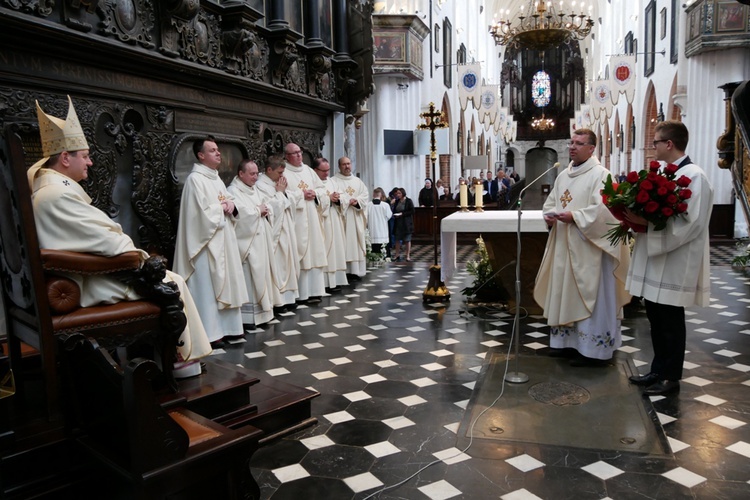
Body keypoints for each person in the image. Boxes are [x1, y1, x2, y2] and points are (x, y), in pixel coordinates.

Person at [30, 96, 211, 377]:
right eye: (85, 155)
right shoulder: (58, 194)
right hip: (86, 282)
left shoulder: (48, 189)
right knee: (170, 281)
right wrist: (136, 256)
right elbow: (109, 243)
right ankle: (178, 363)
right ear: (65, 158)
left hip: (76, 274)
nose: (90, 162)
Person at [624, 120, 714, 396]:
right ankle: (657, 369)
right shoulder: (668, 174)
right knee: (656, 317)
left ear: (669, 144)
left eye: (656, 143)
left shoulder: (695, 176)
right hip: (658, 259)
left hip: (676, 260)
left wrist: (646, 223)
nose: (654, 148)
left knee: (671, 321)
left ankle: (671, 377)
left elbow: (691, 223)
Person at [533, 128, 631, 366]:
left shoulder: (602, 175)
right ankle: (566, 344)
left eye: (578, 143)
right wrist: (549, 216)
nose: (572, 147)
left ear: (591, 148)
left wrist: (574, 217)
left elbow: (606, 211)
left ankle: (594, 352)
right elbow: (552, 203)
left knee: (592, 297)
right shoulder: (563, 175)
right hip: (564, 246)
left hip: (591, 250)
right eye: (571, 143)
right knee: (564, 293)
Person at [174, 136, 248, 349]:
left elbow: (228, 202)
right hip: (205, 244)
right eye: (213, 150)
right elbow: (197, 216)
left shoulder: (215, 178)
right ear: (201, 155)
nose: (218, 154)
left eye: (218, 150)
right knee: (207, 287)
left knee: (226, 283)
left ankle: (229, 329)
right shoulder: (195, 180)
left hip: (223, 239)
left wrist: (231, 206)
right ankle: (210, 331)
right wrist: (221, 209)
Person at [228, 159, 277, 328]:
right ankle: (248, 317)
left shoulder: (254, 189)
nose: (256, 177)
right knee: (249, 276)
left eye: (257, 173)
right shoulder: (232, 191)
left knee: (262, 275)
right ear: (241, 174)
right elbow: (238, 215)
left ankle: (264, 312)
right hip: (247, 243)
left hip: (260, 240)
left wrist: (266, 210)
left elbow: (267, 206)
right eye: (252, 174)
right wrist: (258, 211)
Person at [283, 143, 327, 304]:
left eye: (299, 152)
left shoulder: (308, 170)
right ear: (287, 156)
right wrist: (301, 194)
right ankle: (301, 293)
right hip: (298, 220)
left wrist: (315, 193)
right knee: (300, 253)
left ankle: (315, 291)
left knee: (315, 252)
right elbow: (282, 194)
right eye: (294, 153)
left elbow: (322, 189)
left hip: (313, 219)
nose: (299, 155)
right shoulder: (284, 172)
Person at [255, 155, 299, 311]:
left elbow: (290, 200)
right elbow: (269, 208)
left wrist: (284, 193)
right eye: (279, 173)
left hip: (286, 228)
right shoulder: (260, 185)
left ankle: (290, 297)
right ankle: (279, 299)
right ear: (268, 170)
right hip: (275, 232)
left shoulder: (277, 183)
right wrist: (280, 193)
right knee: (278, 265)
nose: (282, 176)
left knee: (288, 263)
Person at [330, 156, 370, 280]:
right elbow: (333, 196)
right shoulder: (333, 181)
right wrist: (345, 201)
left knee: (355, 244)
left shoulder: (358, 181)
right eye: (344, 164)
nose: (347, 166)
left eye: (348, 164)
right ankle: (343, 272)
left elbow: (365, 196)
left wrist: (357, 201)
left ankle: (355, 271)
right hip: (342, 217)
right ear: (339, 166)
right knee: (342, 243)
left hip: (355, 217)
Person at [312, 157, 348, 292]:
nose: (326, 173)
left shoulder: (333, 182)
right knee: (324, 250)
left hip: (335, 219)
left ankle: (335, 281)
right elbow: (313, 200)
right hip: (321, 221)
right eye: (323, 170)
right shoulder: (313, 183)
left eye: (328, 170)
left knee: (336, 250)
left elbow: (344, 197)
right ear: (315, 170)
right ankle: (324, 283)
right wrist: (328, 198)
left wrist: (339, 200)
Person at [367, 187, 392, 258]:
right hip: (382, 231)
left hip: (372, 231)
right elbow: (389, 216)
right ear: (380, 195)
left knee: (373, 252)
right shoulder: (385, 205)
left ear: (373, 195)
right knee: (383, 251)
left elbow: (365, 218)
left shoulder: (368, 205)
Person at [391, 187, 415, 262]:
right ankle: (397, 254)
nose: (397, 195)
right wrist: (392, 205)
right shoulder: (397, 201)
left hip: (406, 223)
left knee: (407, 240)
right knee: (397, 239)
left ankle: (407, 255)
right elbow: (394, 210)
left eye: (399, 193)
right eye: (397, 193)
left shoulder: (408, 201)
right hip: (398, 222)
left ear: (403, 193)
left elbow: (412, 211)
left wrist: (402, 214)